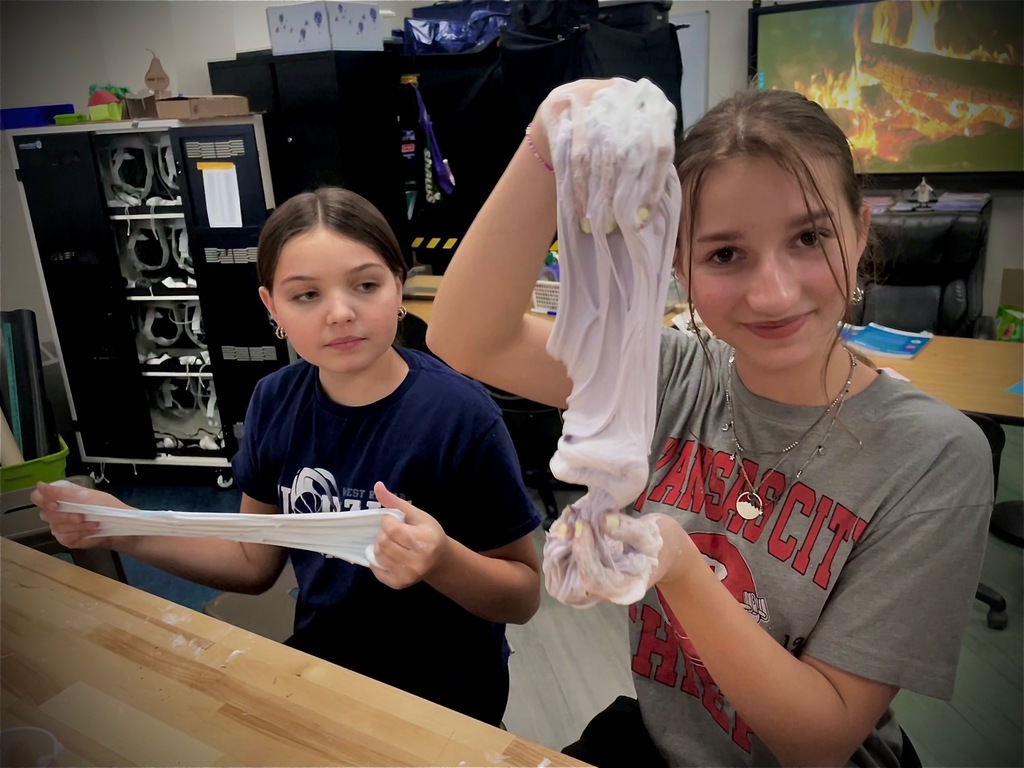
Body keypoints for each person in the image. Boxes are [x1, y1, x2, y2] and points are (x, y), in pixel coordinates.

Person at [426, 81, 993, 766]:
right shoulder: (669, 374)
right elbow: (467, 336)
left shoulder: (932, 455)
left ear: (861, 231)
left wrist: (679, 564)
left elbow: (818, 739)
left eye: (810, 237)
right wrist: (549, 140)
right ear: (680, 267)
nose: (773, 292)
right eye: (725, 254)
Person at [32, 187, 541, 727]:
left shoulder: (460, 415)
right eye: (306, 296)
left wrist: (441, 560)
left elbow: (522, 595)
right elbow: (255, 562)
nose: (340, 313)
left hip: (446, 698)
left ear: (399, 285)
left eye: (366, 285)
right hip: (326, 678)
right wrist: (122, 526)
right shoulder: (275, 400)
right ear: (270, 306)